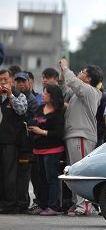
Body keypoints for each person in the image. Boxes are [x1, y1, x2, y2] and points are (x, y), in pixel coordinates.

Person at [58, 58, 103, 216]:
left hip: (81, 135)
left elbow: (73, 82)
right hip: (74, 134)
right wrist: (62, 73)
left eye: (83, 72)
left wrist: (65, 67)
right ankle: (78, 204)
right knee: (73, 172)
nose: (79, 73)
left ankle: (84, 206)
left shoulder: (90, 91)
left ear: (89, 78)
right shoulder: (80, 93)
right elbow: (65, 89)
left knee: (80, 172)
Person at [28, 84, 65, 216]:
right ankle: (43, 205)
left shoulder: (58, 112)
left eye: (46, 93)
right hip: (38, 149)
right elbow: (34, 121)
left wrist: (42, 131)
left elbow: (59, 133)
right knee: (41, 179)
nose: (43, 95)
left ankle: (53, 206)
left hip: (53, 150)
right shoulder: (40, 108)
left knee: (52, 178)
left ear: (53, 96)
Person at [0, 69, 28, 214]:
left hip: (11, 141)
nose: (3, 82)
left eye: (5, 79)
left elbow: (22, 110)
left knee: (9, 174)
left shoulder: (19, 95)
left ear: (12, 80)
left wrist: (10, 95)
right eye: (0, 80)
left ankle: (10, 203)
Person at [14, 72, 39, 212]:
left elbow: (32, 121)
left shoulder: (32, 100)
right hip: (16, 142)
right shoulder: (14, 97)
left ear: (29, 82)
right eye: (18, 82)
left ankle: (23, 203)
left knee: (24, 175)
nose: (20, 84)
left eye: (23, 81)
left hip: (27, 144)